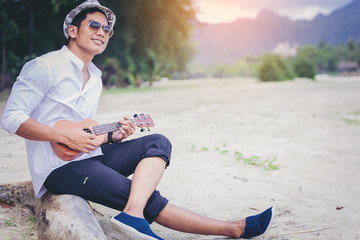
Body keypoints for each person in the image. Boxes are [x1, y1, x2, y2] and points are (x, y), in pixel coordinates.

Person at [1, 1, 274, 239]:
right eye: (94, 25)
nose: (102, 33)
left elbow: (84, 131)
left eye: (107, 30)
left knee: (158, 141)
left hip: (90, 155)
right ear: (73, 30)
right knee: (141, 195)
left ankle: (132, 213)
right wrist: (61, 135)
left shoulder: (95, 77)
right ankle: (232, 228)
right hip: (58, 169)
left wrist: (111, 136)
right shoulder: (43, 66)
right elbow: (11, 117)